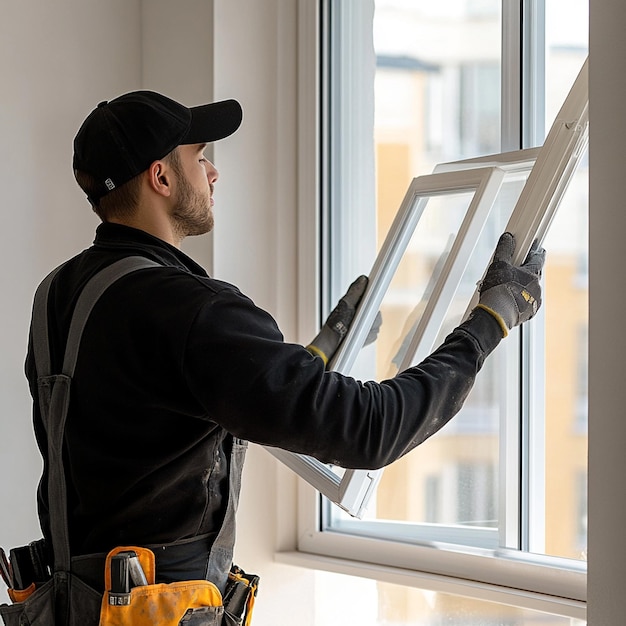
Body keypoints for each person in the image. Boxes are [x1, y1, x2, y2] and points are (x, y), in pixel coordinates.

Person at [25, 91, 544, 607]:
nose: (212, 173)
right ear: (160, 178)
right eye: (199, 157)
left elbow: (186, 402)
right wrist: (490, 320)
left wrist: (325, 345)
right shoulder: (189, 309)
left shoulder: (61, 294)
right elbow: (371, 428)